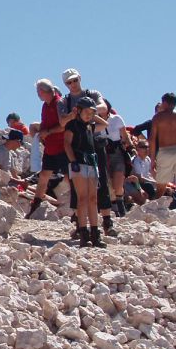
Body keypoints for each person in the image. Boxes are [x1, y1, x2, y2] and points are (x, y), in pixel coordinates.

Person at [58, 68, 114, 232]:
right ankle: (80, 223)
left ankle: (106, 220)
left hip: (94, 143)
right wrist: (75, 113)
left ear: (80, 79)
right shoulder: (64, 101)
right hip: (76, 145)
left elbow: (103, 108)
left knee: (101, 182)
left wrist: (87, 109)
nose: (73, 84)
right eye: (69, 82)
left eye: (75, 80)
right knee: (78, 188)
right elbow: (62, 122)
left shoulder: (92, 94)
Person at [26, 79, 69, 219]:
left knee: (69, 178)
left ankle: (77, 208)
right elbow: (45, 123)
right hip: (51, 147)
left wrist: (48, 132)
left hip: (63, 147)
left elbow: (64, 126)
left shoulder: (59, 103)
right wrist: (42, 134)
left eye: (39, 92)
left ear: (43, 92)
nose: (38, 94)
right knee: (44, 175)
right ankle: (35, 205)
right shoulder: (46, 105)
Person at [65, 97, 105, 248]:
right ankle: (84, 234)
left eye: (92, 112)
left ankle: (95, 234)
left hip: (91, 163)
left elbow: (104, 124)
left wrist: (92, 114)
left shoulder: (90, 126)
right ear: (79, 110)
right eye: (86, 111)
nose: (89, 115)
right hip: (78, 163)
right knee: (82, 198)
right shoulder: (72, 125)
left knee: (93, 199)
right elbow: (67, 144)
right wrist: (73, 161)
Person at [150, 92, 176, 209]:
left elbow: (153, 140)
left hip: (165, 151)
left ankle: (156, 212)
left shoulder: (157, 117)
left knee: (160, 188)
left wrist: (152, 160)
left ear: (164, 103)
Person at [98, 100, 133, 217]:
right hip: (102, 154)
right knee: (106, 183)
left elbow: (124, 135)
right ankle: (111, 210)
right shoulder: (94, 122)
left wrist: (130, 146)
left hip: (117, 153)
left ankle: (121, 208)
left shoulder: (116, 119)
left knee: (118, 182)